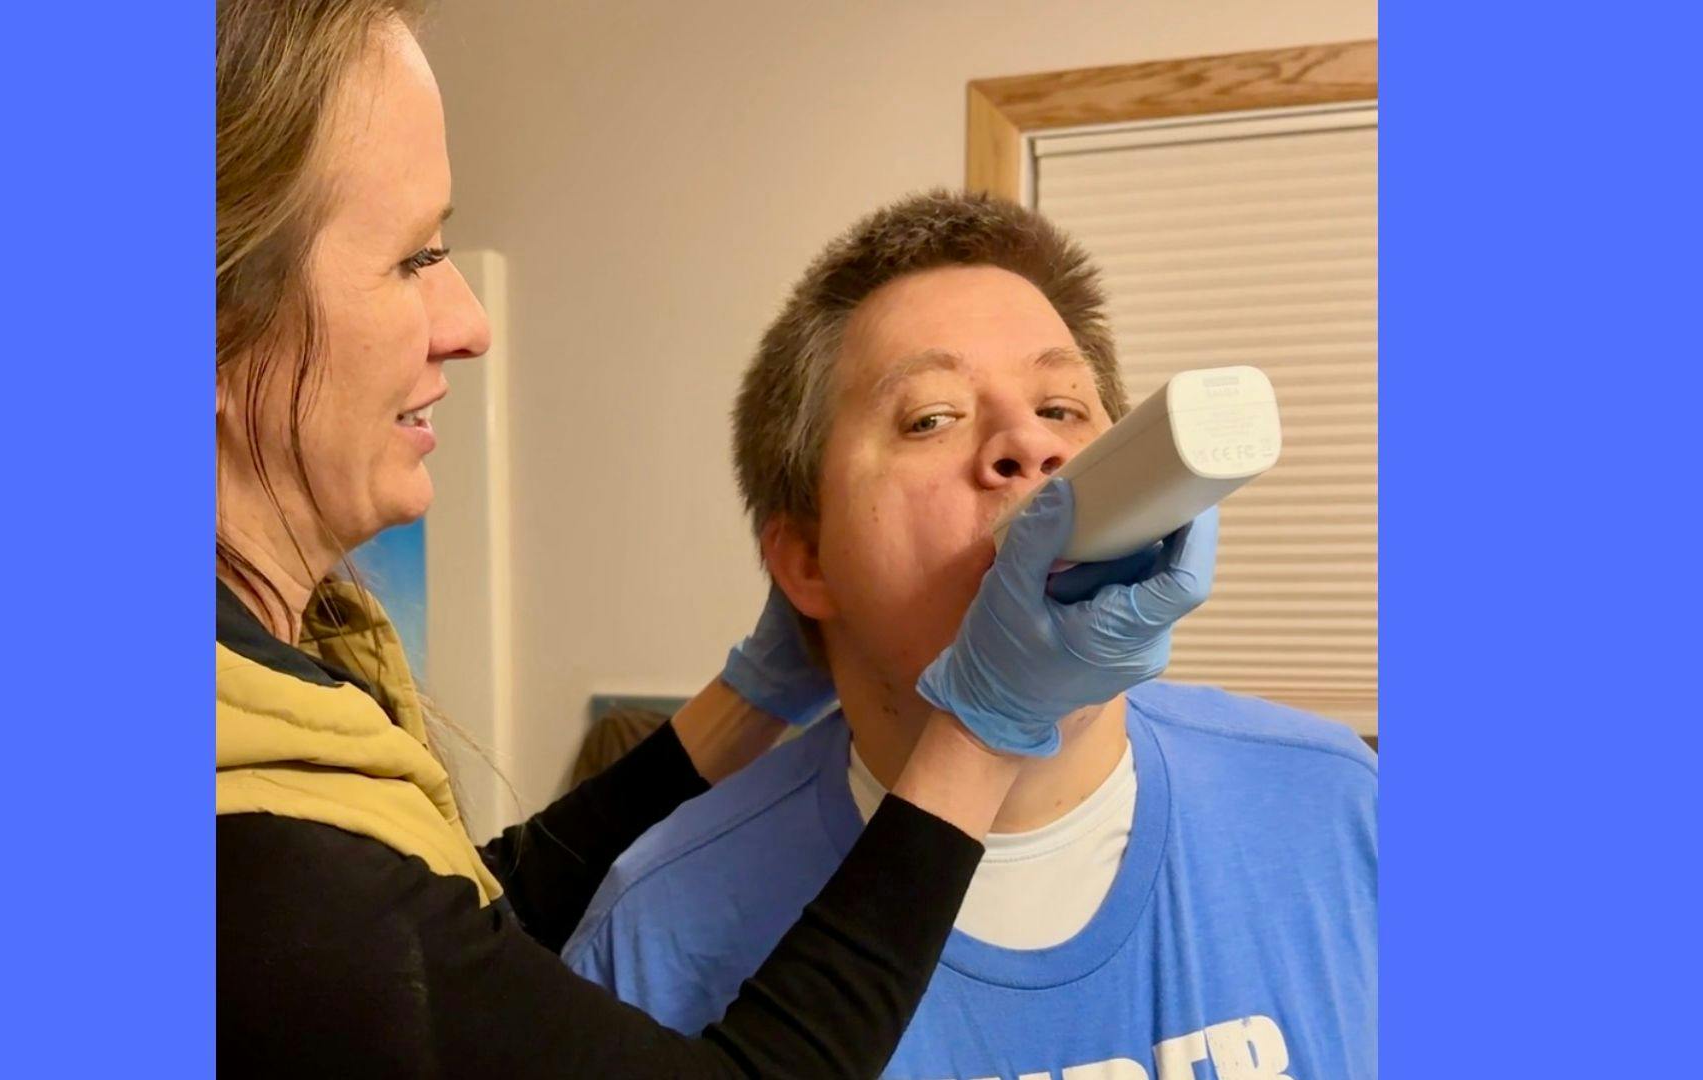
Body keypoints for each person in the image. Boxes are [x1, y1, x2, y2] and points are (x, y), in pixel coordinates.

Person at [213, 2, 1217, 1075]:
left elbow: (455, 911)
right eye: (415, 256)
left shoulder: (1340, 804)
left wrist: (748, 701)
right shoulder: (276, 870)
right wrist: (985, 725)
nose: (471, 322)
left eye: (1064, 409)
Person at [562, 192, 1378, 1079]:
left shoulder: (1341, 807)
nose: (1028, 443)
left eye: (1064, 406)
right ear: (807, 562)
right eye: (930, 417)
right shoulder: (657, 932)